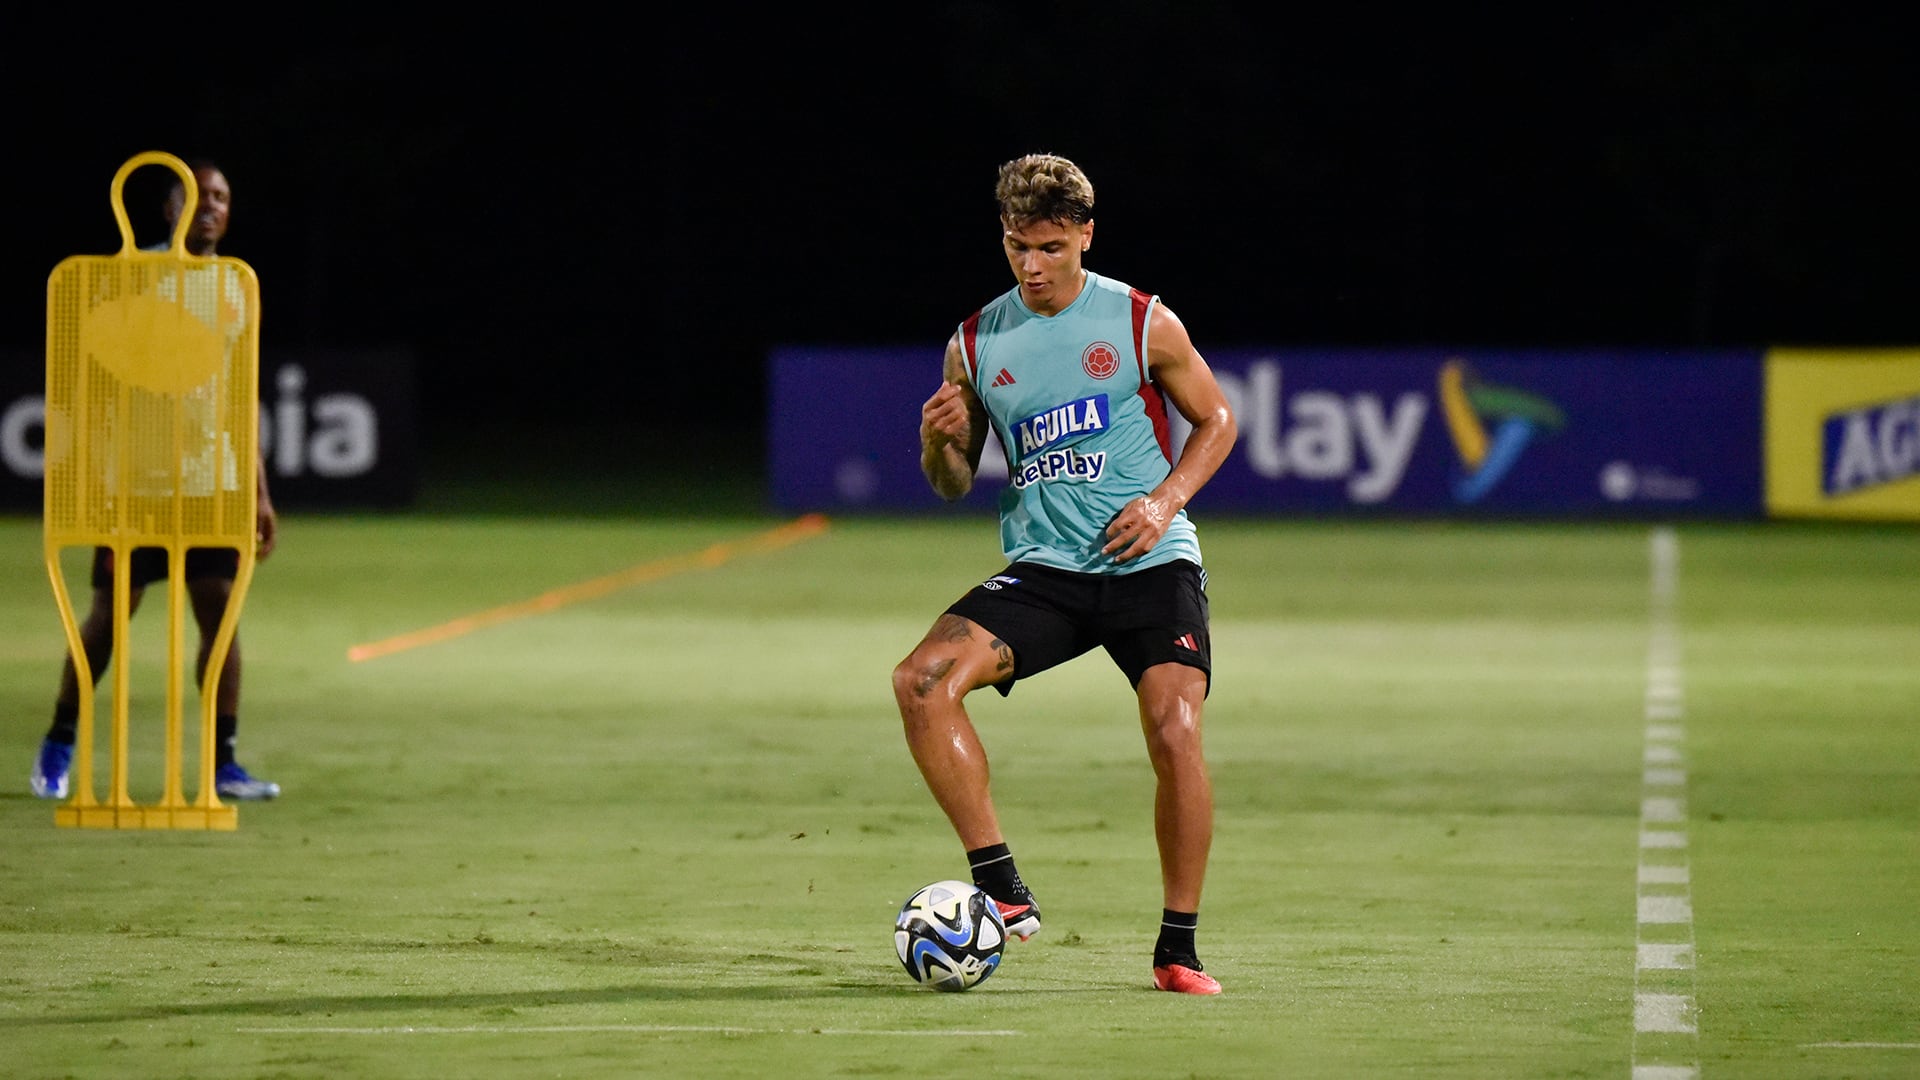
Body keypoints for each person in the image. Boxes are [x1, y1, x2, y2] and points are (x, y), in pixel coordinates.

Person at [892, 153, 1239, 995]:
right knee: (921, 680)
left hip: (1148, 561)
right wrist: (938, 439)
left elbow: (1218, 419)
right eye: (1017, 247)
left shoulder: (1139, 320)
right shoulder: (974, 343)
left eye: (1050, 246)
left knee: (1175, 731)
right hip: (1048, 571)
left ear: (1085, 234)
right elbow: (949, 483)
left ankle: (1177, 949)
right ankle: (1001, 889)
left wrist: (1164, 503)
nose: (1033, 265)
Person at [31, 158, 281, 802]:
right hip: (135, 485)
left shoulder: (233, 286)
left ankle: (224, 762)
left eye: (223, 196)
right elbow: (93, 383)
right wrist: (83, 471)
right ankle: (59, 742)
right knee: (112, 616)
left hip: (209, 483)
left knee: (220, 616)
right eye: (199, 196)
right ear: (171, 209)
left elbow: (239, 394)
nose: (213, 207)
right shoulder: (132, 279)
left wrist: (257, 489)